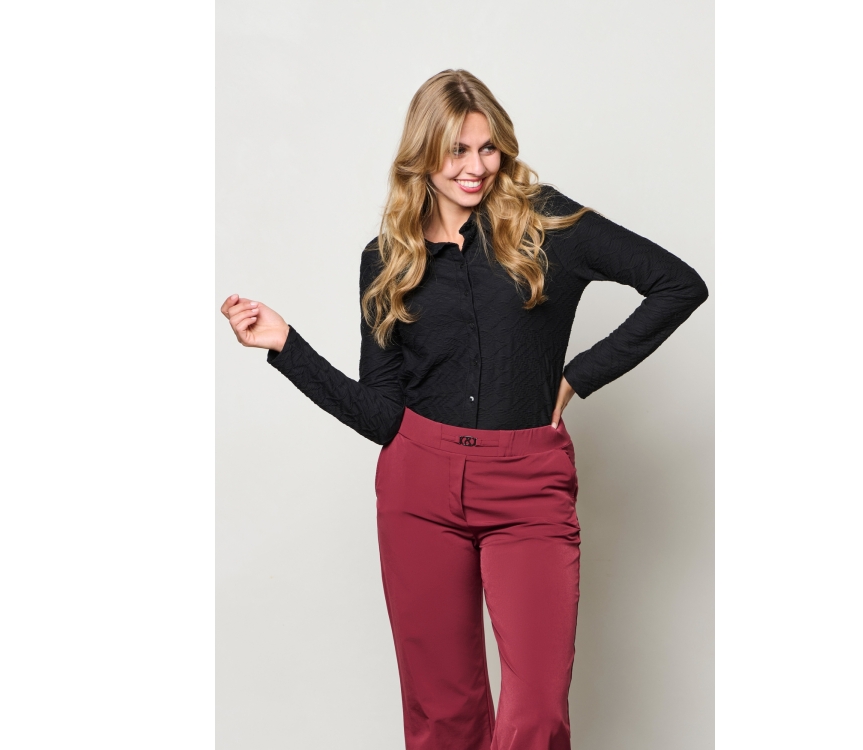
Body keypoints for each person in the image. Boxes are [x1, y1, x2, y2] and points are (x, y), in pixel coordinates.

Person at [220, 69, 707, 750]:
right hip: (418, 485)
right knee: (442, 716)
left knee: (536, 713)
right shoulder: (387, 259)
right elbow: (380, 416)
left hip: (528, 484)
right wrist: (285, 346)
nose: (475, 167)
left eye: (487, 148)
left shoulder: (547, 224)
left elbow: (678, 284)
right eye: (455, 151)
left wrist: (577, 377)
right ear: (421, 155)